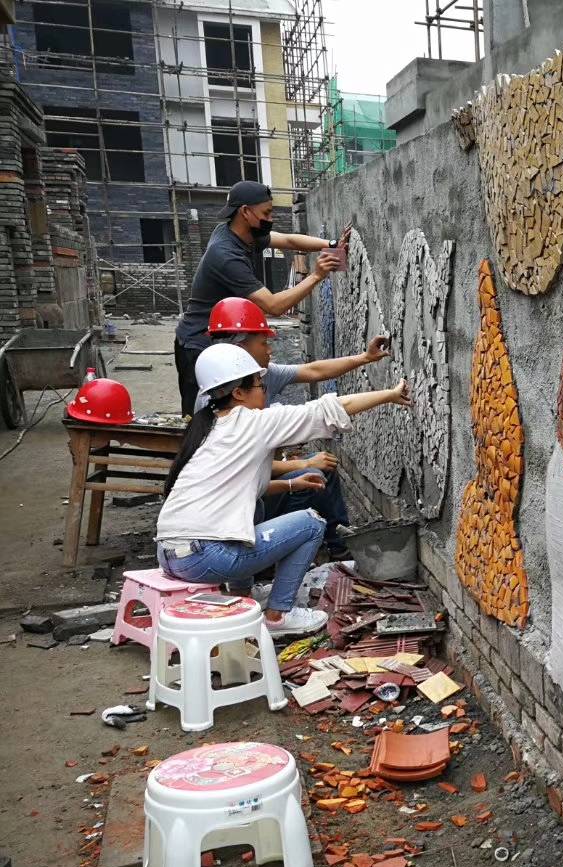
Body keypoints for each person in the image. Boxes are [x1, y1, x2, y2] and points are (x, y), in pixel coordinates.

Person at [155, 342, 411, 637]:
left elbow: (240, 490)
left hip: (171, 556)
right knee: (311, 523)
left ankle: (244, 598)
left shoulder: (208, 426)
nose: (264, 390)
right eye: (259, 385)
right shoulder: (253, 423)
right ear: (238, 392)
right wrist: (390, 394)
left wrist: (292, 483)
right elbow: (329, 410)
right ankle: (277, 616)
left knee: (257, 508)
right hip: (205, 559)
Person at [206, 295, 389, 558]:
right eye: (264, 342)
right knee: (311, 485)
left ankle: (336, 545)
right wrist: (300, 465)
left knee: (317, 473)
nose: (270, 349)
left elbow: (314, 371)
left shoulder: (259, 375)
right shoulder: (218, 401)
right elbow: (241, 471)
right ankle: (272, 552)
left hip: (240, 496)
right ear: (241, 348)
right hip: (229, 517)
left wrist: (365, 358)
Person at [173, 179, 350, 415]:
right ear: (245, 212)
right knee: (206, 417)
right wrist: (317, 275)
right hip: (199, 344)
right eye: (266, 212)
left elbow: (289, 240)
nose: (271, 218)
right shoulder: (226, 255)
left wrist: (332, 244)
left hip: (225, 336)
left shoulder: (242, 233)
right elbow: (274, 305)